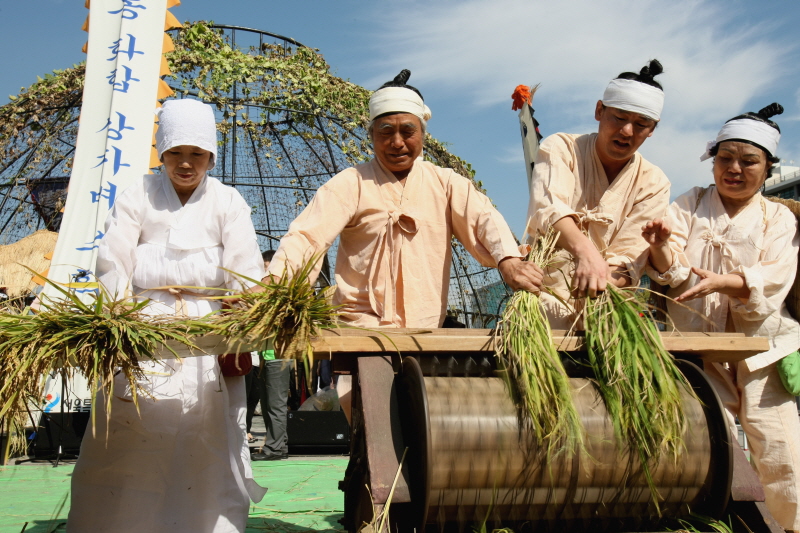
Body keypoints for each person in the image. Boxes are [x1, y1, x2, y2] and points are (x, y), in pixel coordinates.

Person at [67, 99, 267, 533]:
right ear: (162, 154)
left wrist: (237, 315)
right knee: (132, 434)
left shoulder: (228, 201)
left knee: (205, 435)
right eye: (176, 153)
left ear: (210, 157)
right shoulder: (137, 194)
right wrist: (121, 321)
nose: (186, 164)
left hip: (207, 334)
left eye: (197, 154)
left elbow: (245, 270)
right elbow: (113, 263)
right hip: (142, 328)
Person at [266, 69, 543, 329]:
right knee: (376, 379)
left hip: (425, 329)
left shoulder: (446, 183)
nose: (397, 142)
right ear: (371, 136)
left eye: (407, 132)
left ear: (423, 134)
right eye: (386, 132)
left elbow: (484, 218)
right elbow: (308, 236)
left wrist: (508, 260)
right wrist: (276, 284)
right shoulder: (350, 183)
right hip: (361, 328)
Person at [642, 103, 800, 532]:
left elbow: (774, 279)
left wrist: (724, 282)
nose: (734, 168)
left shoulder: (778, 218)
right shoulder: (689, 205)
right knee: (711, 447)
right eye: (724, 158)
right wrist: (657, 246)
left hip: (763, 355)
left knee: (782, 452)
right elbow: (671, 270)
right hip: (698, 355)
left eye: (748, 161)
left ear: (767, 168)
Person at [526, 60, 670, 329]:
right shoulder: (561, 148)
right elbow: (548, 208)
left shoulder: (654, 182)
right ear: (599, 110)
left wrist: (598, 282)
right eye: (619, 117)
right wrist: (586, 253)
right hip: (544, 297)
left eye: (641, 124)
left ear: (652, 130)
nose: (627, 131)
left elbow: (630, 256)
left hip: (608, 307)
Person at [251, 249, 293, 461]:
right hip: (265, 357)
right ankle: (278, 444)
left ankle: (275, 448)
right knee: (268, 404)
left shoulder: (285, 297)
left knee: (276, 405)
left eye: (268, 267)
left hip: (278, 358)